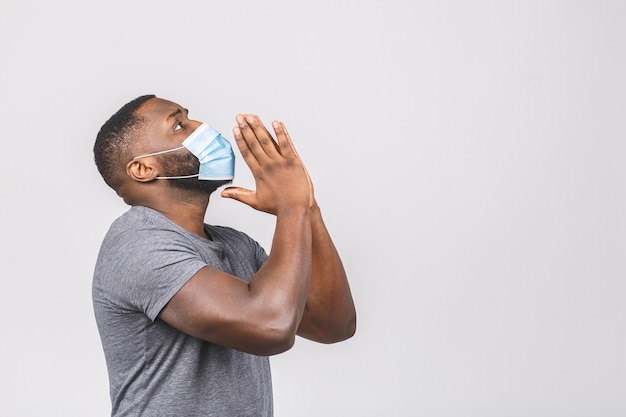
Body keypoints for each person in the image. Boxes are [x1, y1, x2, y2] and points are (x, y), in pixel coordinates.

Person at [92, 94, 356, 416]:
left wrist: (307, 208)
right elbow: (272, 328)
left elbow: (333, 325)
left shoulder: (235, 245)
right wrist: (291, 206)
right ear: (144, 168)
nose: (201, 128)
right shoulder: (137, 244)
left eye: (191, 118)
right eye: (179, 125)